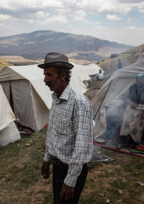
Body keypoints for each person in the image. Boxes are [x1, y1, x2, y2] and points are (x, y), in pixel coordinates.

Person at [39, 52, 94, 204]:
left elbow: (82, 146)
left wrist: (70, 181)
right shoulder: (56, 99)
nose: (45, 79)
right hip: (58, 167)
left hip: (71, 170)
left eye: (49, 75)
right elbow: (52, 133)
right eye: (45, 74)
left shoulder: (79, 103)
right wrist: (47, 159)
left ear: (62, 76)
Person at [118, 73, 144, 149]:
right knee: (125, 126)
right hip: (130, 109)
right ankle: (121, 142)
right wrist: (129, 101)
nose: (139, 81)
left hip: (141, 111)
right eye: (138, 79)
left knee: (137, 128)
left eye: (141, 80)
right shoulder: (131, 88)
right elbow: (124, 97)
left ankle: (133, 143)